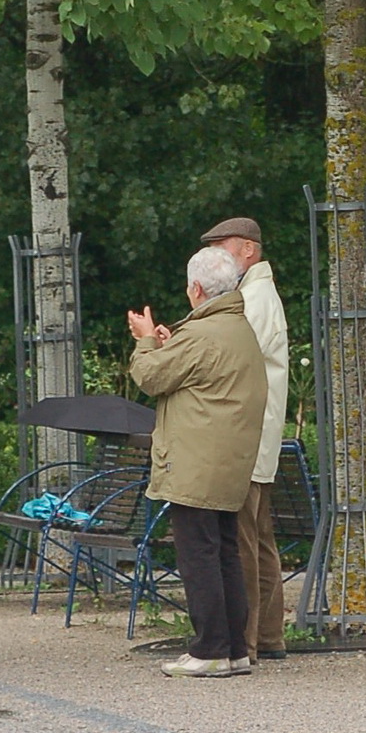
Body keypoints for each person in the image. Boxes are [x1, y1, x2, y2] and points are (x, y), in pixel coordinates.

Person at [128, 247, 266, 678]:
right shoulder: (235, 327)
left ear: (196, 289)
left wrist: (147, 339)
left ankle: (209, 650)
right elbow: (193, 371)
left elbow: (150, 377)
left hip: (195, 463)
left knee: (198, 556)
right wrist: (172, 345)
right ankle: (235, 649)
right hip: (228, 462)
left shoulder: (203, 334)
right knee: (225, 552)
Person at [199, 217, 289, 663]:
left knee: (242, 541)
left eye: (224, 248)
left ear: (248, 250)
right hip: (261, 432)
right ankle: (269, 636)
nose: (218, 257)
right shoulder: (259, 295)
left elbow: (227, 357)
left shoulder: (251, 299)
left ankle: (246, 641)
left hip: (246, 433)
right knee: (261, 538)